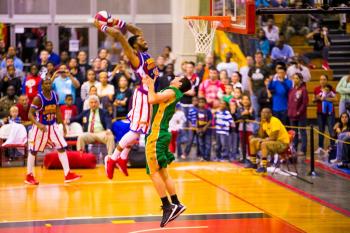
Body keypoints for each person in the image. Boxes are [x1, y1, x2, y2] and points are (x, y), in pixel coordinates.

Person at [94, 16, 159, 178]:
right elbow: (120, 36)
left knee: (135, 130)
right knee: (137, 133)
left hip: (148, 97)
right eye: (141, 40)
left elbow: (136, 31)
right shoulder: (135, 58)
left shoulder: (145, 53)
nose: (144, 40)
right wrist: (102, 26)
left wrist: (117, 21)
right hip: (143, 96)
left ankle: (123, 158)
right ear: (135, 45)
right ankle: (112, 159)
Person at [143, 75, 191, 228]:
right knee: (163, 171)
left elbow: (152, 99)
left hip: (157, 135)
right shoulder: (172, 92)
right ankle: (176, 203)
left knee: (152, 172)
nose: (175, 77)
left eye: (178, 77)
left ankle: (167, 206)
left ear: (180, 83)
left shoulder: (172, 91)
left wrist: (151, 84)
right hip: (160, 132)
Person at [25, 78, 82, 185]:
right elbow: (30, 114)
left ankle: (67, 174)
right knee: (33, 150)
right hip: (40, 128)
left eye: (49, 83)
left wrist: (63, 125)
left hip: (52, 126)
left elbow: (57, 110)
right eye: (46, 83)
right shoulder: (38, 98)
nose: (48, 85)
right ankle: (29, 175)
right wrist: (38, 124)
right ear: (42, 86)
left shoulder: (55, 95)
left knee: (61, 148)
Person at [247, 108, 290, 173]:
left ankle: (264, 167)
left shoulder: (274, 120)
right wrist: (261, 124)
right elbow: (261, 135)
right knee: (253, 141)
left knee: (264, 144)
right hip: (274, 142)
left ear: (270, 114)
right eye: (262, 112)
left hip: (282, 144)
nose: (264, 114)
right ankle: (253, 164)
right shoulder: (265, 122)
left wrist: (262, 140)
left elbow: (274, 137)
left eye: (266, 113)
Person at [313, 75, 337, 154]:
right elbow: (313, 100)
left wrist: (325, 98)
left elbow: (336, 99)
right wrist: (318, 98)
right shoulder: (316, 89)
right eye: (321, 79)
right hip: (320, 112)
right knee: (321, 130)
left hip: (330, 113)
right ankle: (320, 147)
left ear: (327, 80)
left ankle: (333, 147)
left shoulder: (331, 88)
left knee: (331, 129)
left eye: (324, 79)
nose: (322, 81)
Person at [287, 73, 308, 155]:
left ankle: (303, 149)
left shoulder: (303, 89)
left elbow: (304, 103)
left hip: (300, 115)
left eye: (297, 78)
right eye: (294, 78)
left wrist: (299, 111)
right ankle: (294, 148)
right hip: (292, 115)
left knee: (302, 132)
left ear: (300, 80)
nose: (295, 80)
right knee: (294, 133)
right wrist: (289, 111)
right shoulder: (292, 90)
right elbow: (289, 102)